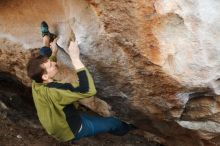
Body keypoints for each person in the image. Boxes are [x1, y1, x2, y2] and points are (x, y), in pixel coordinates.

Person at [26, 21, 135, 143]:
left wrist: (49, 44)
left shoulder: (37, 80)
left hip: (57, 118)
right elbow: (87, 90)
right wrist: (75, 58)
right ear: (46, 77)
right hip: (69, 128)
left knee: (45, 57)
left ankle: (46, 37)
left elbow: (43, 56)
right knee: (113, 123)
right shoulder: (55, 91)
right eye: (51, 65)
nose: (55, 63)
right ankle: (129, 128)